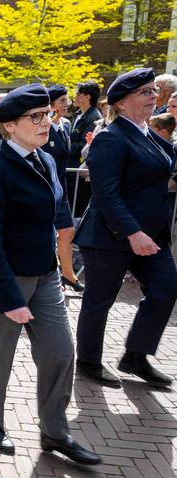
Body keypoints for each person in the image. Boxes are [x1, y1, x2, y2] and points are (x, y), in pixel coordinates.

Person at [0, 83, 100, 464]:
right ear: (9, 126)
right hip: (6, 279)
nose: (47, 122)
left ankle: (55, 432)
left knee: (60, 352)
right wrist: (9, 298)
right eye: (36, 117)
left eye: (48, 114)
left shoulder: (45, 159)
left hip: (45, 276)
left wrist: (64, 261)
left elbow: (58, 211)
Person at [74, 68, 177, 388]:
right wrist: (132, 232)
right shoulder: (111, 137)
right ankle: (88, 360)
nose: (153, 97)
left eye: (153, 90)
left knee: (165, 288)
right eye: (144, 92)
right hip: (111, 236)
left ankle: (136, 355)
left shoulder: (149, 134)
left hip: (151, 235)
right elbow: (106, 194)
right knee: (99, 300)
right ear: (120, 102)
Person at [40, 84, 81, 292]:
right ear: (52, 104)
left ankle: (68, 273)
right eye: (62, 100)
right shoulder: (42, 126)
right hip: (45, 186)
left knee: (67, 230)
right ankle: (51, 274)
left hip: (61, 186)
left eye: (68, 100)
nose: (67, 104)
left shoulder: (65, 125)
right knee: (47, 232)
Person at [67, 80, 102, 215]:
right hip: (72, 171)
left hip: (79, 173)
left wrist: (64, 145)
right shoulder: (78, 114)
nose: (74, 97)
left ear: (87, 97)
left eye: (77, 94)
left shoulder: (94, 118)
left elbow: (83, 145)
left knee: (77, 210)